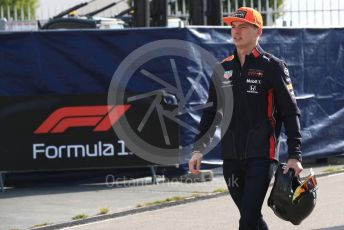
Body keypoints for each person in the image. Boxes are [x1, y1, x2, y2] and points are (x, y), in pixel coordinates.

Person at [188, 7, 303, 230]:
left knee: (247, 219)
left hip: (262, 156)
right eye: (233, 26)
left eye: (242, 27)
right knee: (251, 218)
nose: (236, 31)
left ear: (258, 31)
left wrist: (294, 154)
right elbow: (211, 112)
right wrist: (198, 148)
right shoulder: (222, 68)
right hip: (231, 158)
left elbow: (290, 112)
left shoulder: (273, 66)